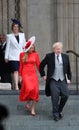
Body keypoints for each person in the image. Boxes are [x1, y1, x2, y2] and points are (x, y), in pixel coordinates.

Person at [40, 42, 72, 121]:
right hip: (53, 80)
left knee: (65, 95)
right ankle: (55, 114)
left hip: (62, 79)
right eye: (57, 49)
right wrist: (43, 75)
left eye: (60, 49)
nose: (59, 50)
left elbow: (68, 69)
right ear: (54, 49)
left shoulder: (65, 57)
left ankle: (59, 110)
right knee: (55, 97)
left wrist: (69, 79)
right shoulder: (49, 56)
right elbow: (41, 65)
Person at [19, 36, 40, 116]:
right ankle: (28, 101)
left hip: (33, 73)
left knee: (35, 91)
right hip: (25, 73)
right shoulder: (22, 54)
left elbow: (38, 65)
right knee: (28, 88)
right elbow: (20, 66)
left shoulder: (35, 54)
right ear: (28, 48)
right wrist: (20, 76)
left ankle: (33, 108)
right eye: (31, 47)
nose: (32, 49)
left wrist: (43, 74)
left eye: (33, 47)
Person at [5, 18, 26, 90]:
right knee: (15, 70)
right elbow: (8, 47)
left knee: (21, 71)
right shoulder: (9, 36)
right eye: (14, 27)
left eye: (17, 27)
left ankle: (21, 84)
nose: (16, 28)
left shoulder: (22, 35)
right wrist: (6, 57)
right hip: (13, 56)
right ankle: (16, 85)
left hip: (21, 55)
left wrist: (26, 53)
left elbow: (24, 45)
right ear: (12, 28)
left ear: (19, 28)